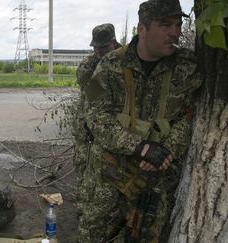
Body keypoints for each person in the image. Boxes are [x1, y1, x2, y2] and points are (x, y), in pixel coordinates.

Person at [78, 0, 202, 242]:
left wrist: (166, 151)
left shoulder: (186, 67)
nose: (174, 32)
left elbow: (189, 115)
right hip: (109, 175)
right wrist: (141, 147)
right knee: (95, 233)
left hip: (155, 180)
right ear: (142, 29)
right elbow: (95, 115)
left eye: (177, 24)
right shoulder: (110, 65)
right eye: (165, 24)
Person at [73, 24, 121, 237]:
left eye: (103, 47)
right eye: (96, 47)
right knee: (83, 169)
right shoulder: (91, 63)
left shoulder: (125, 59)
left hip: (110, 132)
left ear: (113, 42)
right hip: (86, 130)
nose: (99, 51)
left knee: (108, 178)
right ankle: (84, 211)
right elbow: (84, 81)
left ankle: (108, 218)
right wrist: (99, 60)